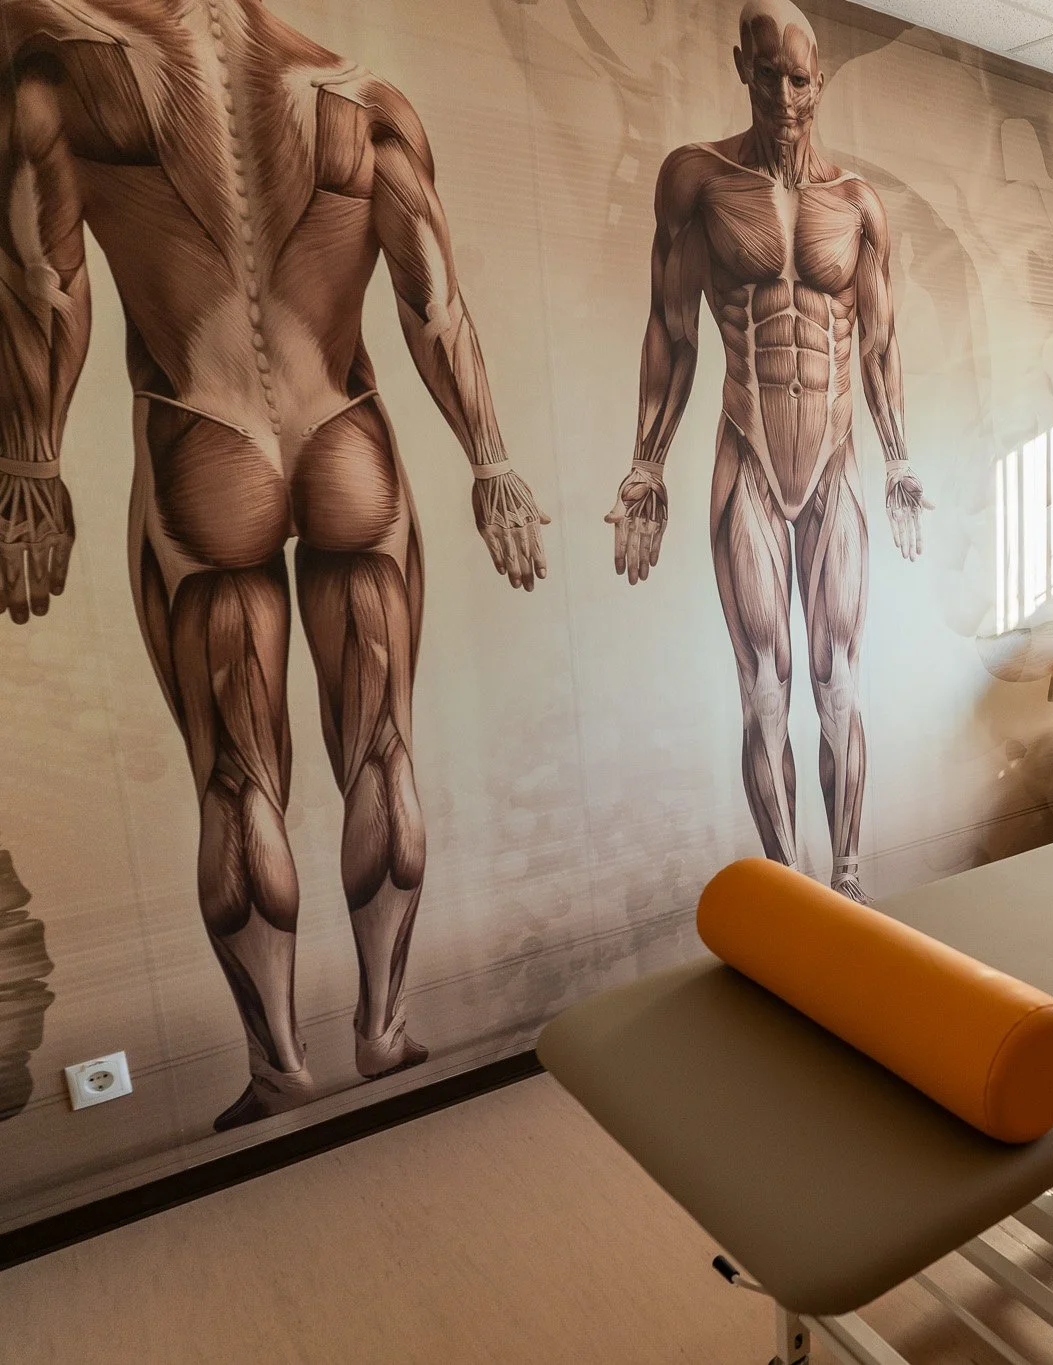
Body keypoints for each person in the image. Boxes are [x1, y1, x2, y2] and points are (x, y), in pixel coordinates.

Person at [0, 0, 550, 1127]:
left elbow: (44, 284)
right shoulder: (362, 95)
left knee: (237, 780)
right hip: (347, 434)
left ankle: (281, 1071)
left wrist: (33, 462)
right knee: (384, 751)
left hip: (203, 439)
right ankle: (385, 1033)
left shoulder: (66, 73)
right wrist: (490, 463)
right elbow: (432, 302)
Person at [608, 0, 931, 904]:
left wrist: (900, 456)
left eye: (799, 78)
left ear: (818, 80)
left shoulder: (859, 204)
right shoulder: (697, 181)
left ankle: (852, 883)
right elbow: (672, 333)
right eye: (766, 74)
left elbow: (877, 344)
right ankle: (792, 892)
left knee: (838, 686)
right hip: (747, 453)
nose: (784, 95)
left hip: (835, 462)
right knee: (763, 691)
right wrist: (647, 462)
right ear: (739, 68)